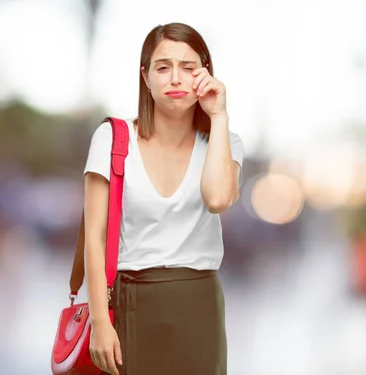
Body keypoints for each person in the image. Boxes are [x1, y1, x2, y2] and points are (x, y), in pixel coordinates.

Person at [82, 22, 244, 375]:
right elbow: (94, 238)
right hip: (132, 302)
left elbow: (217, 198)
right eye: (163, 67)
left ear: (205, 75)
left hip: (199, 303)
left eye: (188, 68)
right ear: (146, 77)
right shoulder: (111, 139)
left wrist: (218, 115)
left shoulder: (223, 142)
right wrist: (99, 322)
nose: (175, 79)